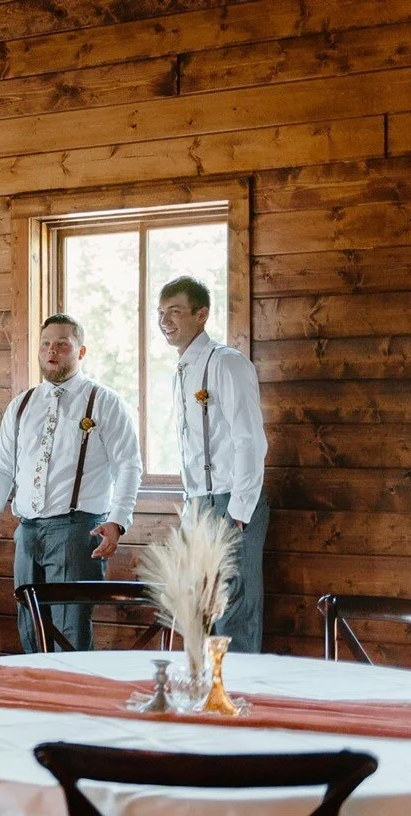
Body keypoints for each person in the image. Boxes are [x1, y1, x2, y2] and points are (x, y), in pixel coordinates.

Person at [0, 314, 142, 652]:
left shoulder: (105, 401)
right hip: (28, 532)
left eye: (62, 345)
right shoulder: (22, 405)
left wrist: (118, 520)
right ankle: (37, 702)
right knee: (31, 628)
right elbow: (0, 465)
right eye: (46, 344)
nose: (52, 351)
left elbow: (129, 465)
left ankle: (73, 702)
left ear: (80, 352)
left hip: (78, 530)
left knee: (71, 632)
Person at [157, 275, 269, 652]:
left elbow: (249, 440)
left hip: (231, 503)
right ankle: (204, 699)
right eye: (160, 313)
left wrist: (238, 510)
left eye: (175, 311)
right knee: (200, 609)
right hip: (200, 505)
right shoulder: (183, 369)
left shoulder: (226, 363)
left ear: (201, 314)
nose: (165, 321)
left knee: (234, 610)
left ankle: (234, 700)